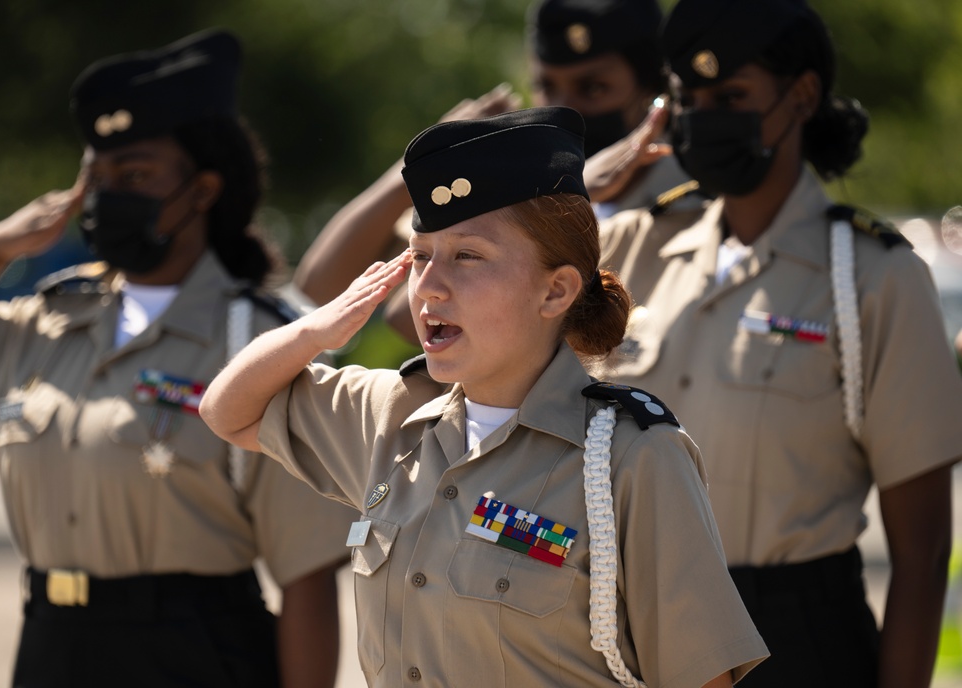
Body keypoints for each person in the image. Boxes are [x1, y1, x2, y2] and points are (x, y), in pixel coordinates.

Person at [200, 106, 768, 687]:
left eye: (467, 256)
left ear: (556, 290)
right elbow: (227, 411)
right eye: (421, 257)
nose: (429, 287)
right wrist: (313, 332)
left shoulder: (631, 456)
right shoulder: (391, 417)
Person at [0, 29, 353, 688]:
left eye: (136, 175)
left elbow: (306, 579)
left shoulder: (254, 341)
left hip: (197, 651)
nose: (111, 195)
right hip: (50, 646)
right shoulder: (45, 321)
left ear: (202, 190)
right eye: (101, 177)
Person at [594, 1, 962, 686]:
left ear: (801, 96)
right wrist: (577, 193)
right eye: (690, 99)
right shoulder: (634, 249)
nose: (706, 118)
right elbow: (434, 322)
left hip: (794, 641)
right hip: (635, 632)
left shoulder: (874, 276)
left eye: (731, 97)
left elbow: (922, 550)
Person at [292, 0, 683, 313]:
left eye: (594, 88)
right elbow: (320, 294)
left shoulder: (688, 201)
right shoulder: (508, 189)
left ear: (653, 91)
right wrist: (419, 169)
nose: (565, 108)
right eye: (546, 87)